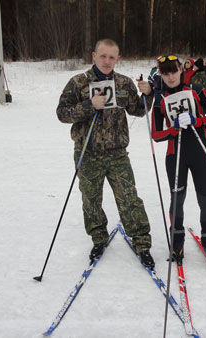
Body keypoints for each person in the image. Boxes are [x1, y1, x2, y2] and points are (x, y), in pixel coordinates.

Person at [56, 38, 155, 268]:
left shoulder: (124, 83)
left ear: (118, 59)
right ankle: (98, 238)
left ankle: (142, 243)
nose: (107, 61)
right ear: (94, 56)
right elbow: (62, 113)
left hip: (117, 153)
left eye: (112, 57)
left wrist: (148, 94)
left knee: (130, 199)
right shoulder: (78, 82)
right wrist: (90, 105)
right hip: (87, 153)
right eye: (103, 56)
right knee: (91, 201)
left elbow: (138, 110)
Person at [138, 55, 206, 268]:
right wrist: (173, 130)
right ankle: (177, 242)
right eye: (165, 73)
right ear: (161, 75)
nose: (170, 76)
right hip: (175, 156)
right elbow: (157, 135)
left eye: (173, 71)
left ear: (181, 69)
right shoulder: (160, 98)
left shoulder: (196, 89)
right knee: (177, 201)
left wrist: (198, 121)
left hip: (201, 153)